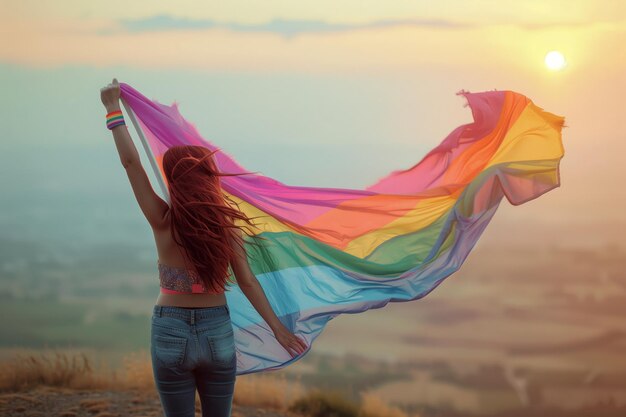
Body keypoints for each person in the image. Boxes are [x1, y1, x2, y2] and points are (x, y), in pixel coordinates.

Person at [100, 78, 307, 417]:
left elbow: (132, 165)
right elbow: (248, 282)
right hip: (216, 330)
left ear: (172, 181)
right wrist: (278, 329)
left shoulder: (162, 220)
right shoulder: (226, 228)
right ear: (210, 179)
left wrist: (113, 110)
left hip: (170, 327)